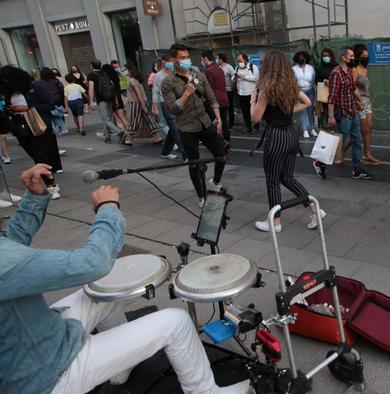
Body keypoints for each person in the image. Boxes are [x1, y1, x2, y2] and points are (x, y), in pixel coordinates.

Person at [0, 164, 252, 394]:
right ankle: (206, 392)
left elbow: (10, 245)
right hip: (47, 373)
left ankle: (118, 367)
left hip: (33, 343)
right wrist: (107, 209)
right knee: (177, 322)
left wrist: (33, 198)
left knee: (98, 295)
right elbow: (93, 263)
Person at [250, 50, 326, 232]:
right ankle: (314, 210)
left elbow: (255, 118)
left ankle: (274, 222)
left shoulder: (265, 88)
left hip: (276, 136)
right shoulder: (290, 85)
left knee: (273, 181)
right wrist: (286, 112)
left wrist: (252, 100)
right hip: (291, 134)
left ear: (266, 66)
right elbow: (307, 102)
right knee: (287, 177)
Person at [162, 43, 226, 207]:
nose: (186, 60)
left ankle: (216, 182)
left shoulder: (200, 75)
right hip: (186, 127)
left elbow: (212, 99)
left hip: (205, 123)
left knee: (221, 154)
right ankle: (201, 196)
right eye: (182, 58)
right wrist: (186, 94)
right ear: (174, 60)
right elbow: (172, 109)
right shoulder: (168, 82)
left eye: (188, 57)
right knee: (194, 163)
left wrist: (218, 120)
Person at [2, 66, 63, 199]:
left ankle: (51, 186)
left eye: (7, 80)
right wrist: (10, 110)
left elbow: (50, 105)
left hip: (38, 126)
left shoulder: (35, 88)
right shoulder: (9, 93)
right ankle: (50, 179)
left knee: (40, 156)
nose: (5, 83)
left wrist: (27, 107)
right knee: (36, 157)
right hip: (21, 128)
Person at [327, 47, 372, 180]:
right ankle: (321, 162)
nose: (353, 58)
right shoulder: (336, 73)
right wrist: (330, 116)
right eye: (351, 56)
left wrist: (358, 101)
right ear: (344, 58)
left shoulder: (347, 72)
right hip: (343, 114)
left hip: (352, 112)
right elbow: (332, 96)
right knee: (338, 142)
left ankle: (357, 170)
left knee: (357, 141)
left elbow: (352, 88)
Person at [153, 56, 186, 161]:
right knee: (176, 129)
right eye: (170, 62)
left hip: (177, 103)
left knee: (173, 129)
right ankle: (186, 154)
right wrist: (155, 108)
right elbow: (155, 92)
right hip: (166, 104)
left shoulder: (174, 73)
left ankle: (165, 152)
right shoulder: (158, 75)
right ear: (164, 63)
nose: (172, 64)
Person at [352, 44, 379, 165]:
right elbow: (352, 87)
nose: (366, 57)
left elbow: (365, 88)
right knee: (362, 130)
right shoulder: (354, 69)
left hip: (366, 101)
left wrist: (369, 101)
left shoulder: (365, 69)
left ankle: (367, 154)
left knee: (369, 128)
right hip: (358, 101)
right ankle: (342, 150)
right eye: (364, 56)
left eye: (367, 56)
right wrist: (358, 101)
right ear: (358, 56)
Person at [88, 60, 125, 143]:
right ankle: (107, 138)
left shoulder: (91, 75)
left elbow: (91, 88)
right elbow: (112, 87)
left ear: (92, 66)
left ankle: (120, 133)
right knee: (108, 119)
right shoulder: (105, 74)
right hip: (110, 98)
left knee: (106, 120)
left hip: (101, 100)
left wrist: (90, 102)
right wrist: (115, 99)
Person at [124, 64, 162, 145]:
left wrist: (142, 105)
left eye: (125, 69)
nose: (124, 71)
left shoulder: (132, 80)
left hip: (136, 102)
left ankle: (130, 139)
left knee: (134, 120)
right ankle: (158, 137)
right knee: (149, 119)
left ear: (130, 70)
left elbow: (138, 93)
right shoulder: (136, 79)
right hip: (142, 101)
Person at [202, 50, 230, 150]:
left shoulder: (209, 71)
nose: (202, 61)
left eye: (202, 59)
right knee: (224, 123)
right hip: (224, 98)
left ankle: (220, 142)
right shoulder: (219, 68)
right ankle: (227, 142)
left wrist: (207, 100)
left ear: (205, 58)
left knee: (213, 122)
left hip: (215, 101)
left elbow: (210, 89)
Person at [292, 50, 317, 139]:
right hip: (300, 92)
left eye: (303, 57)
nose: (301, 59)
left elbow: (313, 79)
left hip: (310, 91)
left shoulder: (311, 68)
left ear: (306, 59)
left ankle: (312, 128)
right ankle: (305, 130)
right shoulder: (294, 69)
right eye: (300, 57)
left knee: (311, 110)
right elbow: (293, 81)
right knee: (303, 111)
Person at [234, 53, 259, 134]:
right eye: (238, 61)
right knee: (245, 112)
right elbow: (233, 77)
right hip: (241, 93)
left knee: (253, 112)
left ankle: (255, 126)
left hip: (251, 94)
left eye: (240, 61)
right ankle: (248, 127)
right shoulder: (237, 68)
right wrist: (234, 78)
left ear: (245, 60)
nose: (239, 63)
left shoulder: (253, 67)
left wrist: (244, 77)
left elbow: (256, 78)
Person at [315, 48, 336, 132]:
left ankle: (333, 128)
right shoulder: (319, 67)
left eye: (327, 56)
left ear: (331, 56)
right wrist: (324, 81)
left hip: (334, 93)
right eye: (324, 56)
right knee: (323, 112)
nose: (326, 57)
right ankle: (323, 128)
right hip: (322, 94)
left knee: (333, 111)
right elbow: (316, 80)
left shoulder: (336, 67)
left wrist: (331, 82)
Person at [110, 60, 131, 132]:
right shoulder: (119, 71)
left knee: (120, 112)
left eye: (116, 63)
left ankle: (124, 127)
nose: (116, 65)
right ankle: (125, 126)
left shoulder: (122, 71)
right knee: (122, 111)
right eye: (114, 64)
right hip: (121, 93)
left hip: (121, 93)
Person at [218, 53, 237, 131]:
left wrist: (232, 87)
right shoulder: (218, 67)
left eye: (217, 58)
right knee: (222, 108)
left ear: (221, 59)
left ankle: (231, 125)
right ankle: (223, 123)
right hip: (221, 91)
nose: (217, 60)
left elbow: (234, 77)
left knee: (230, 108)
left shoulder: (229, 67)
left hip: (228, 90)